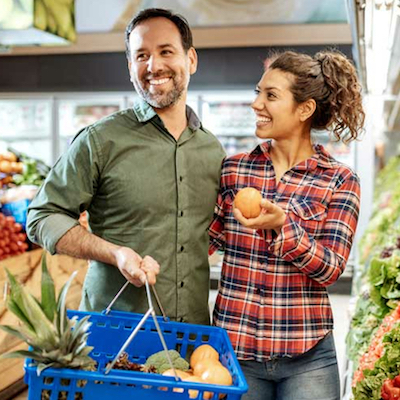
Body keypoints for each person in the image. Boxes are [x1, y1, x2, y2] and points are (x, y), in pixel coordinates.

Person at [27, 8, 225, 324]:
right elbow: (41, 217)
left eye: (166, 52)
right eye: (141, 55)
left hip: (193, 335)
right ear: (130, 67)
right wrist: (114, 253)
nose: (153, 65)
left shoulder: (211, 150)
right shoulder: (100, 140)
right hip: (115, 330)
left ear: (191, 60)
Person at [209, 50, 365, 399]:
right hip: (234, 352)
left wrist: (284, 226)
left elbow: (330, 268)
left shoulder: (339, 180)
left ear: (304, 109)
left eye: (271, 95)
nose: (256, 104)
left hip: (307, 357)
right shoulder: (234, 169)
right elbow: (205, 240)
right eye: (257, 92)